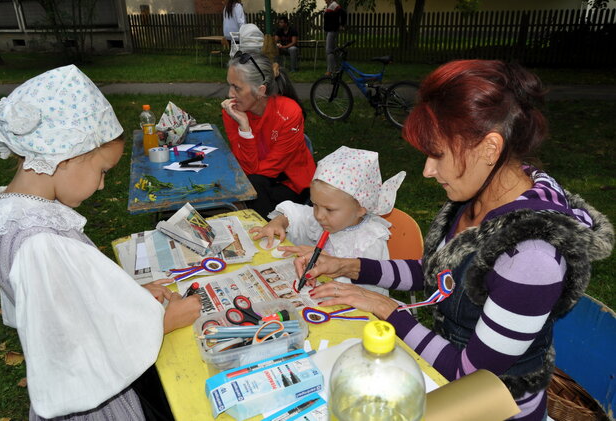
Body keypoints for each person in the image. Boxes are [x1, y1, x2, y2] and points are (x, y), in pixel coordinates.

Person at [297, 60, 614, 421]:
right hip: (448, 380)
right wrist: (349, 267)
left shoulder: (531, 257)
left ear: (490, 149)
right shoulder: (483, 194)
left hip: (494, 408)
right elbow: (439, 274)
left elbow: (472, 375)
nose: (427, 171)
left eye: (438, 154)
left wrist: (387, 309)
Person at [0, 65, 202, 420]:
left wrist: (131, 299)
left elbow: (63, 309)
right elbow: (77, 352)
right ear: (66, 157)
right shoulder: (41, 242)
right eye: (102, 171)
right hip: (93, 405)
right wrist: (162, 322)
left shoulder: (12, 217)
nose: (101, 185)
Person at [251, 146, 406, 295]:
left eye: (329, 209)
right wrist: (280, 221)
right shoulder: (327, 220)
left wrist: (332, 268)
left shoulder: (370, 242)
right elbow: (299, 216)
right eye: (315, 205)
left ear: (360, 208)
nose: (318, 215)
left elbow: (368, 290)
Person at [221, 52, 316, 219]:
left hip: (292, 183)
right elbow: (247, 171)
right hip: (257, 181)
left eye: (237, 87)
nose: (230, 94)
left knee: (252, 193)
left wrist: (245, 131)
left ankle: (266, 238)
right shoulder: (232, 112)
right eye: (229, 85)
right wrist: (244, 126)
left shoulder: (289, 113)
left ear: (260, 90)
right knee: (247, 190)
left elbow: (265, 171)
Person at [323, 0, 346, 76]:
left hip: (332, 31)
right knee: (333, 50)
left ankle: (330, 70)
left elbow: (343, 13)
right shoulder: (330, 6)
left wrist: (342, 24)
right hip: (330, 30)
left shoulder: (334, 5)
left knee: (329, 50)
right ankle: (337, 68)